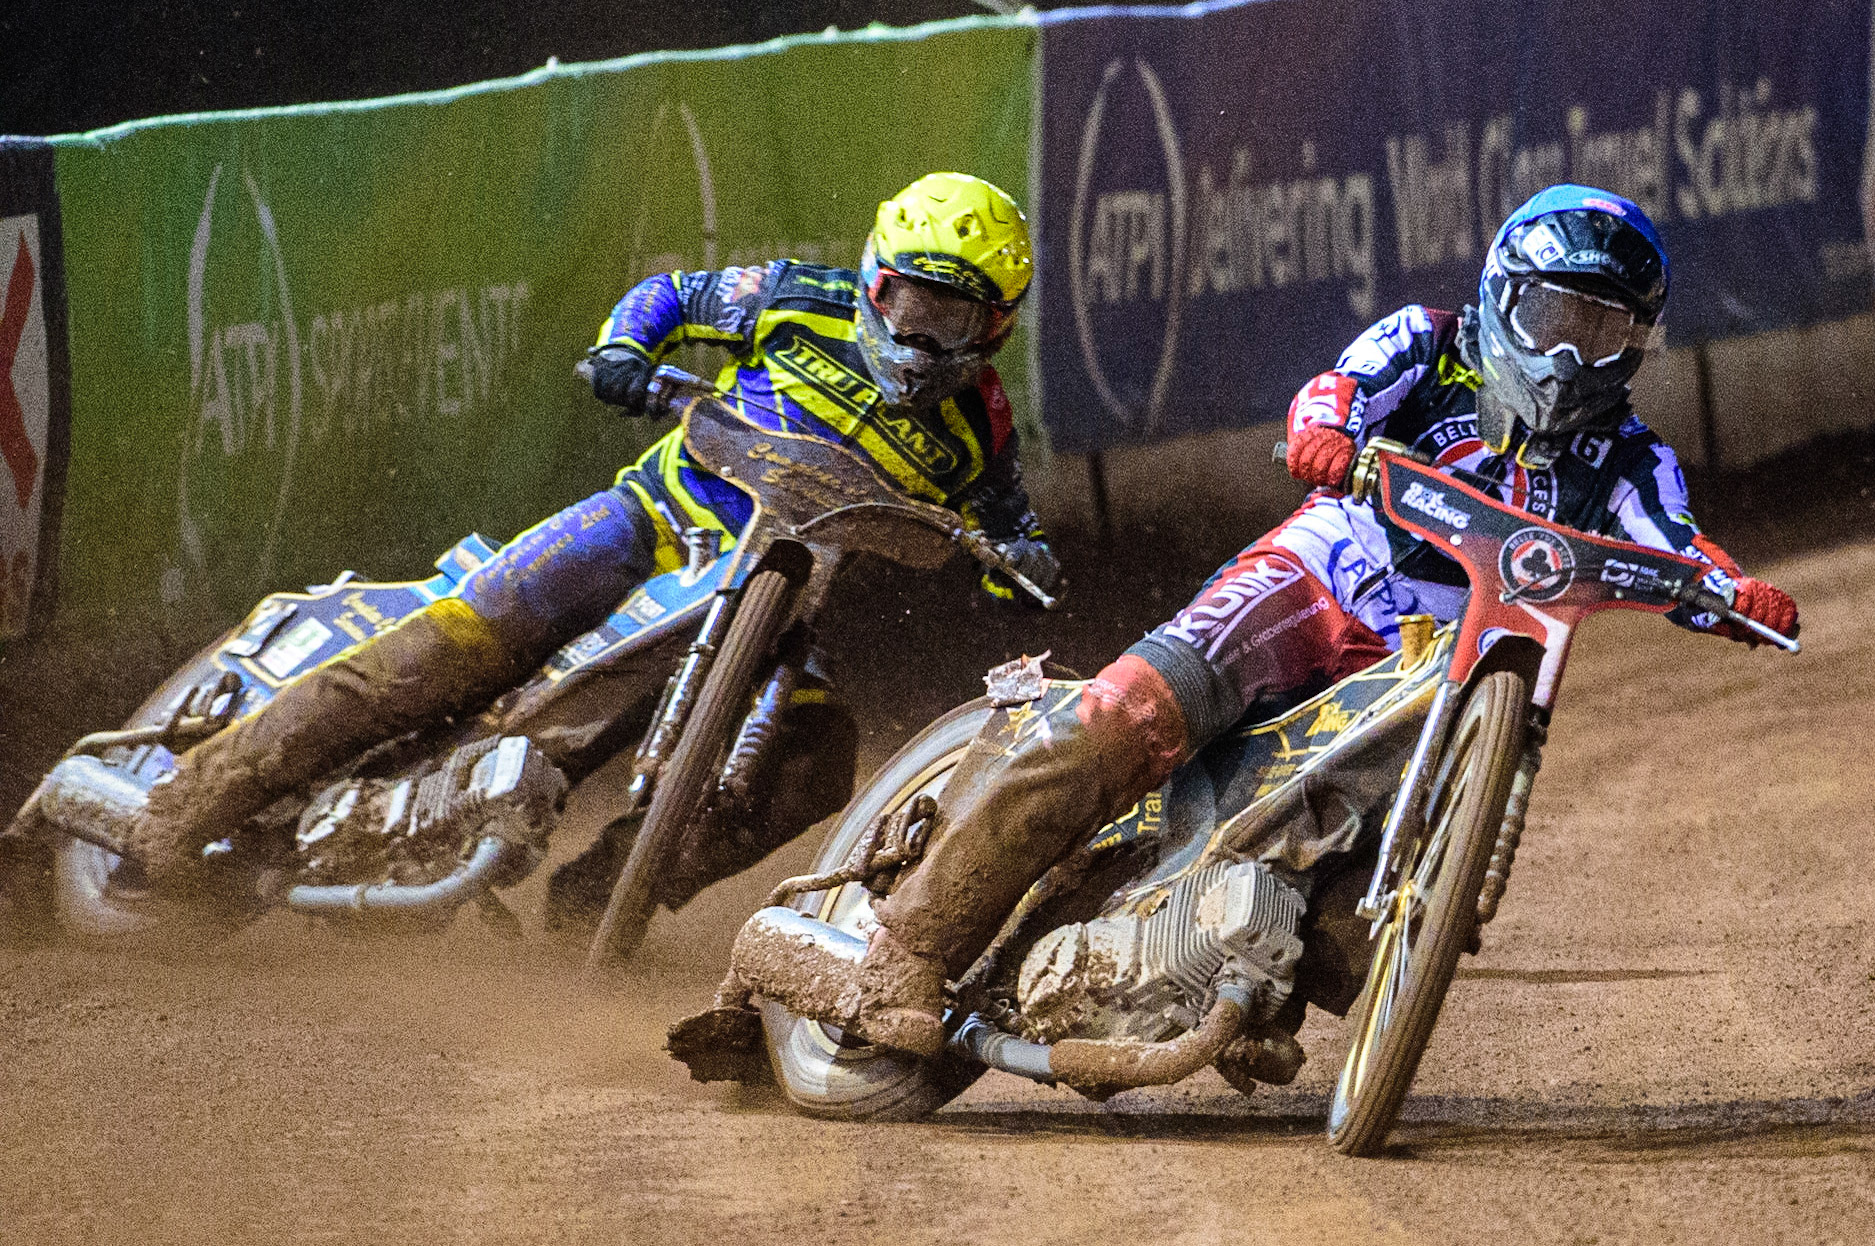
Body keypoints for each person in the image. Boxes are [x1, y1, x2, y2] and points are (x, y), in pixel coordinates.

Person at [792, 184, 1801, 1059]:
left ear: (1639, 345)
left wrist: (1734, 595)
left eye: (1605, 332)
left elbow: (1677, 545)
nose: (1572, 355)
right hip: (1320, 580)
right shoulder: (1430, 341)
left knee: (1359, 938)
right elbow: (1336, 392)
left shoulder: (1628, 456)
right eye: (1553, 319)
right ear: (1502, 297)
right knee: (1124, 718)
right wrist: (1321, 435)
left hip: (1445, 665)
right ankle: (900, 955)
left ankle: (1218, 977)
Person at [118, 171, 1060, 930]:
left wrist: (1024, 564)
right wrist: (626, 353)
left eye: (952, 318)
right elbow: (672, 296)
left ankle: (599, 900)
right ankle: (188, 803)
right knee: (444, 650)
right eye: (909, 301)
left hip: (780, 603)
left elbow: (1008, 532)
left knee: (813, 761)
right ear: (872, 281)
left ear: (996, 327)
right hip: (646, 525)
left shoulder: (981, 429)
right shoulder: (793, 299)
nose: (920, 331)